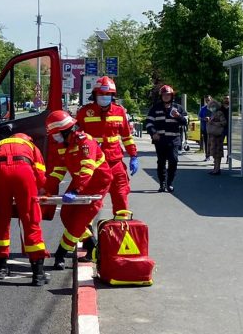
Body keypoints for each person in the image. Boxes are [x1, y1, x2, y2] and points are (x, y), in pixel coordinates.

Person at [0, 132, 47, 282]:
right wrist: (40, 190)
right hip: (24, 172)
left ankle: (1, 268)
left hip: (0, 174)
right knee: (30, 220)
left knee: (1, 220)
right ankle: (38, 273)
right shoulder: (31, 146)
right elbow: (40, 173)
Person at [45, 110, 113, 274]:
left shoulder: (85, 142)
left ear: (65, 131)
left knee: (77, 223)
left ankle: (61, 254)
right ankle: (92, 245)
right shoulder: (63, 145)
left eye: (55, 134)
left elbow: (87, 170)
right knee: (66, 215)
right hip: (80, 182)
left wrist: (76, 190)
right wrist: (46, 188)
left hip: (97, 184)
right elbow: (59, 170)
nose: (54, 138)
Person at [75, 76, 139, 220]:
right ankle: (87, 237)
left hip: (115, 162)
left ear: (112, 96)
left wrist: (133, 155)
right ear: (95, 95)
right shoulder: (84, 112)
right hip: (95, 164)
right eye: (101, 94)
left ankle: (121, 233)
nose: (104, 97)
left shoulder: (119, 112)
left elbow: (127, 137)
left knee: (121, 197)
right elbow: (75, 136)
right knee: (91, 202)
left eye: (107, 94)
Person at [145, 84, 186, 192]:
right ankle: (162, 184)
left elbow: (186, 122)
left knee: (173, 161)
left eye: (168, 95)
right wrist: (153, 133)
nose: (166, 97)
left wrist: (179, 116)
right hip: (160, 141)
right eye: (164, 95)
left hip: (174, 140)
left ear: (172, 96)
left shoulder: (178, 108)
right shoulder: (155, 108)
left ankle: (170, 183)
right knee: (161, 162)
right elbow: (149, 123)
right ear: (161, 96)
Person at [205, 97, 229, 175]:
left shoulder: (219, 113)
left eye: (212, 106)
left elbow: (224, 122)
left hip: (218, 135)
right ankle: (215, 168)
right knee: (214, 153)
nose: (211, 108)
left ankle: (217, 169)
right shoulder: (213, 113)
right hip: (213, 136)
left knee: (217, 153)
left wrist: (213, 123)